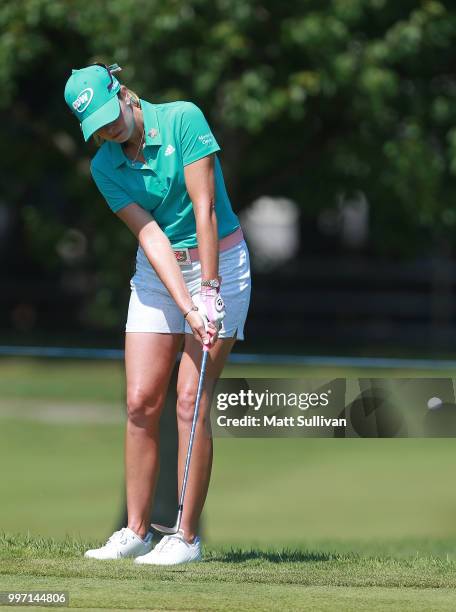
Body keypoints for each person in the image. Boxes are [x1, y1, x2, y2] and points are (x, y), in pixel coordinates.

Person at [63, 63, 251, 565]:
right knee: (141, 400)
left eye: (110, 115)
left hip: (220, 264)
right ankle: (135, 531)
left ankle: (185, 538)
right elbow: (151, 236)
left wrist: (208, 293)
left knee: (190, 399)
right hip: (159, 270)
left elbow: (204, 208)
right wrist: (186, 305)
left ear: (123, 93)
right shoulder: (105, 167)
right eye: (97, 127)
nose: (109, 129)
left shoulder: (183, 119)